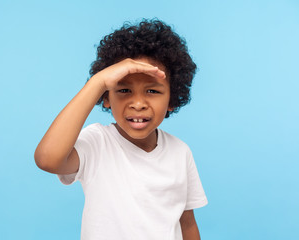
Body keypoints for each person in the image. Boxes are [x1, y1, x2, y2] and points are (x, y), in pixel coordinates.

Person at [34, 19, 208, 240]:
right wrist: (97, 83)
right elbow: (47, 159)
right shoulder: (96, 142)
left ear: (172, 100)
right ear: (106, 97)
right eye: (124, 89)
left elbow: (187, 224)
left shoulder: (180, 152)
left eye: (152, 91)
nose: (138, 103)